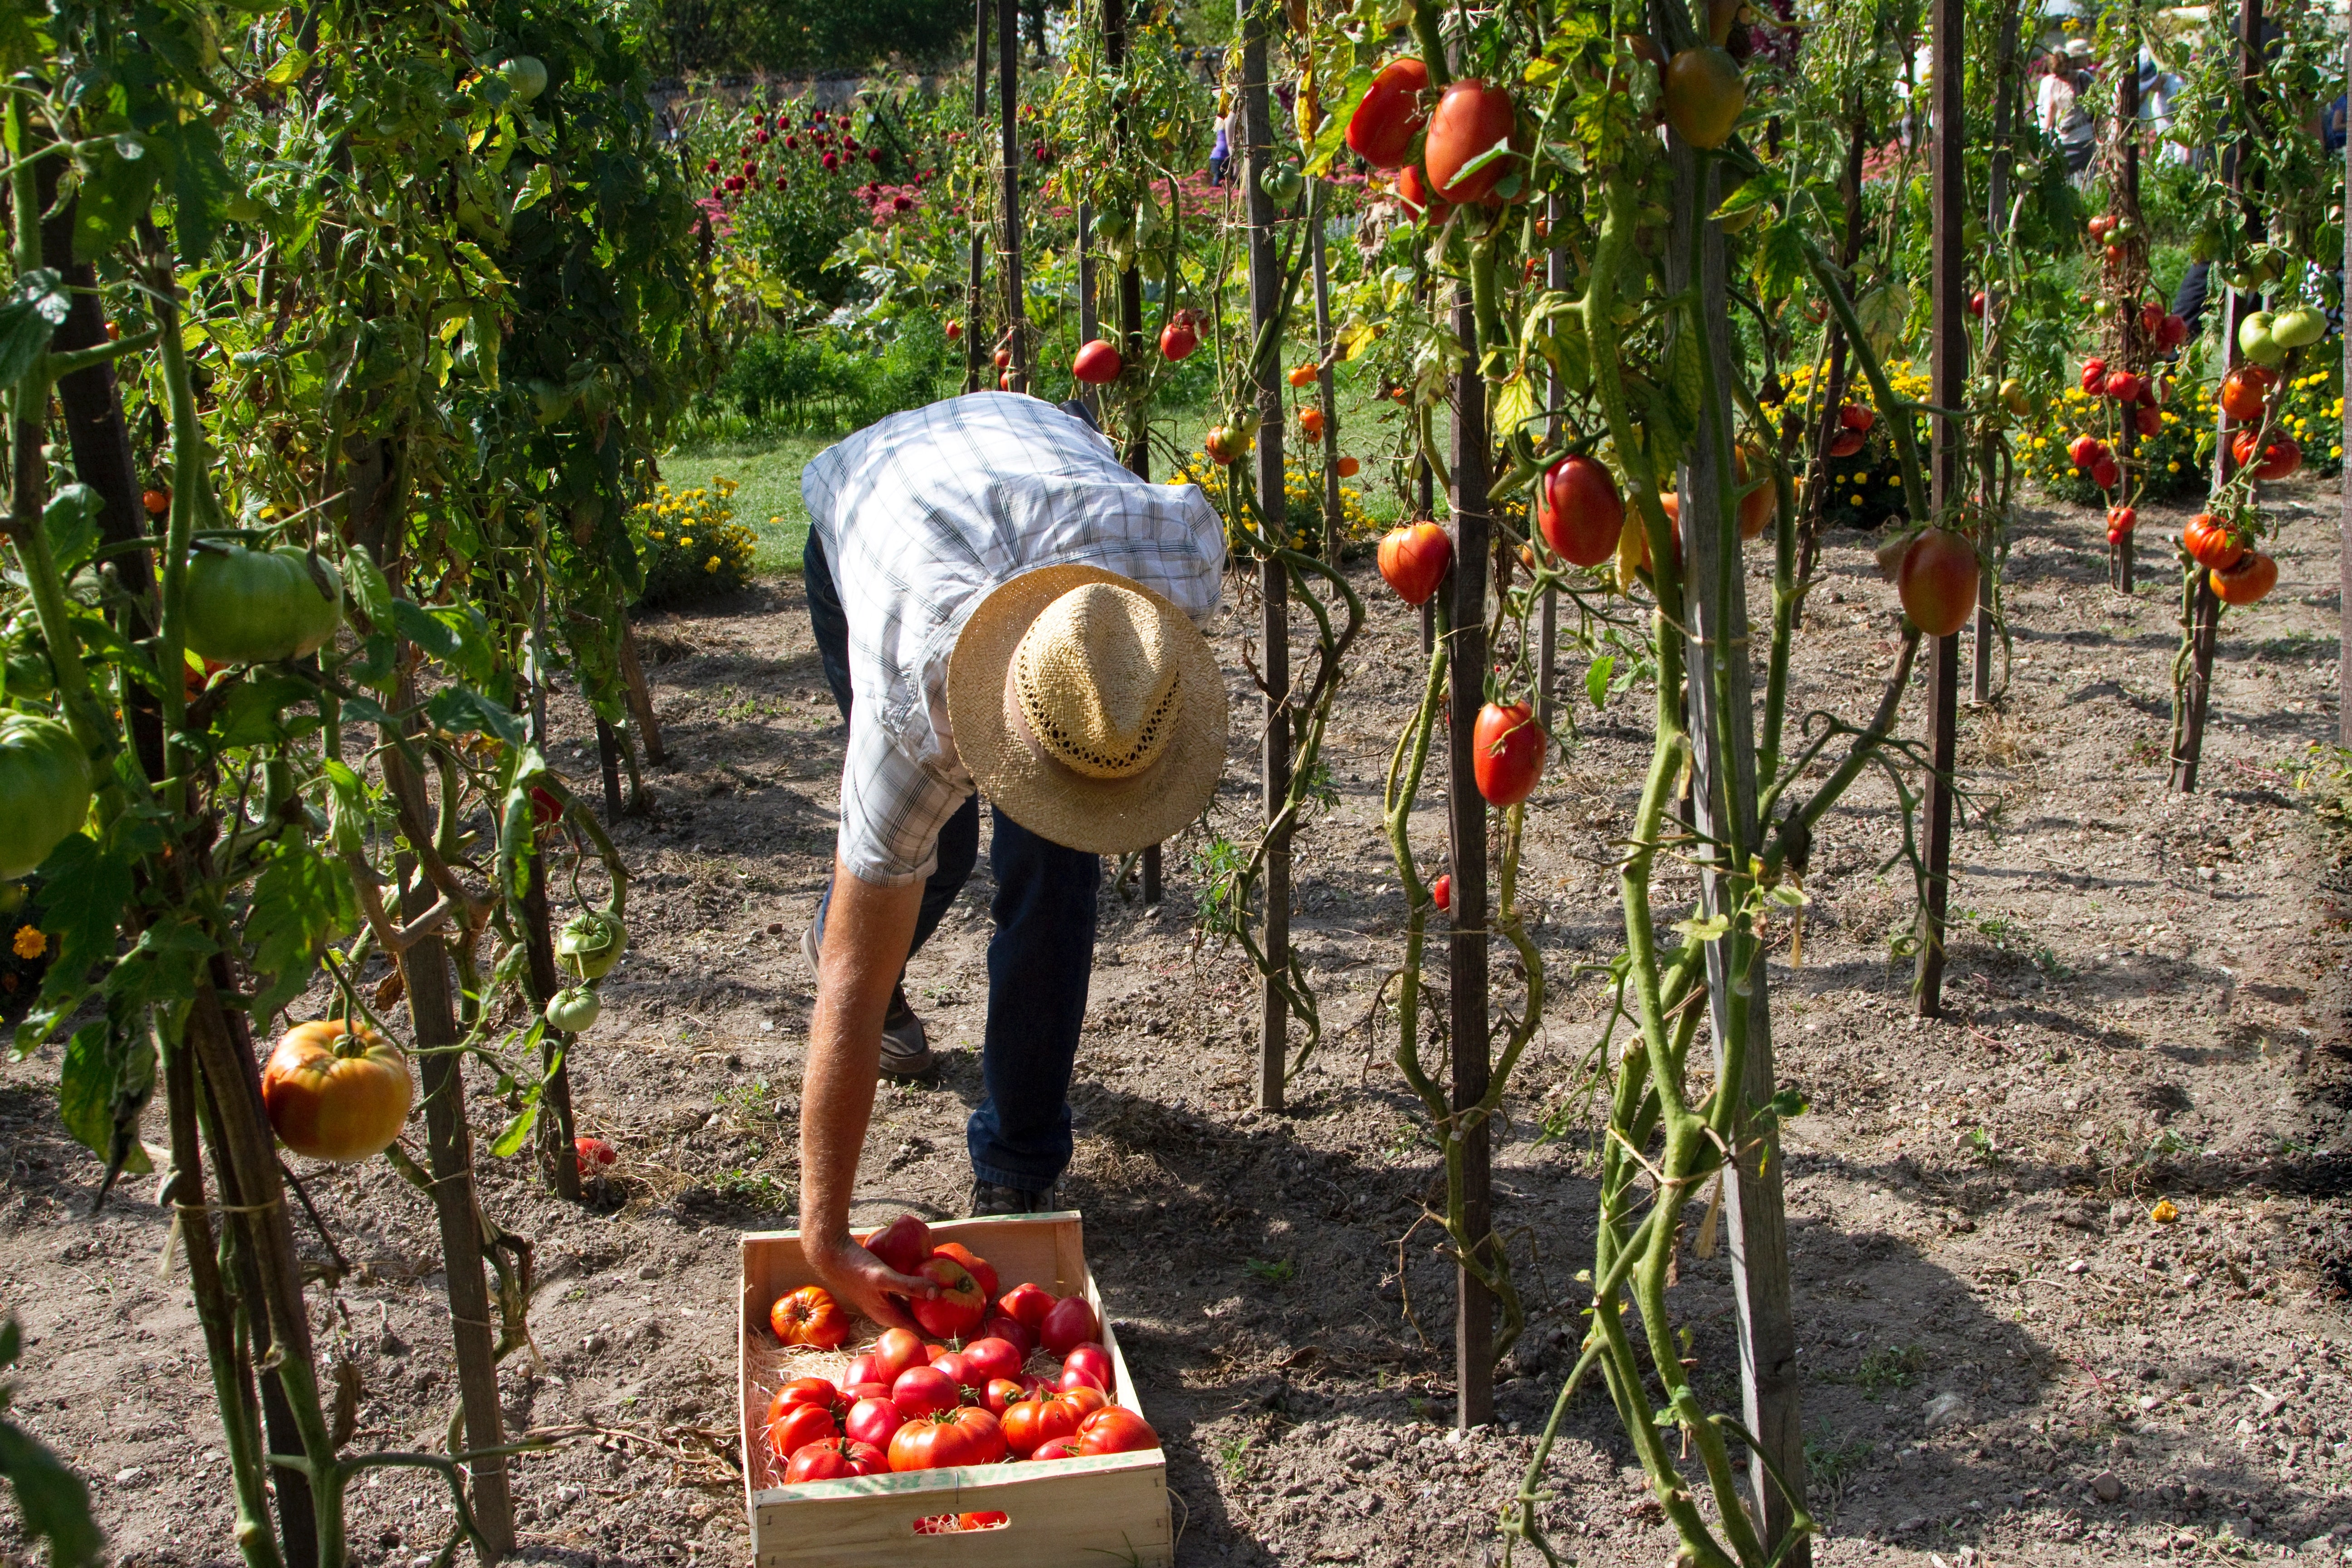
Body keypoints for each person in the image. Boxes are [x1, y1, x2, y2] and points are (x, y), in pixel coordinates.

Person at [794, 391, 1228, 1328]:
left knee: (1058, 877)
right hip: (876, 509)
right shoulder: (914, 716)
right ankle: (857, 926)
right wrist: (825, 1239)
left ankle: (1018, 1164)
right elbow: (847, 989)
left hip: (1028, 449)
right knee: (927, 858)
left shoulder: (1163, 589)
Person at [1209, 100, 1231, 187]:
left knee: (1219, 184)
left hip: (1216, 156)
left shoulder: (1221, 117)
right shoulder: (1230, 117)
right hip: (1224, 157)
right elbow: (1230, 143)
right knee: (1222, 185)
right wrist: (1236, 163)